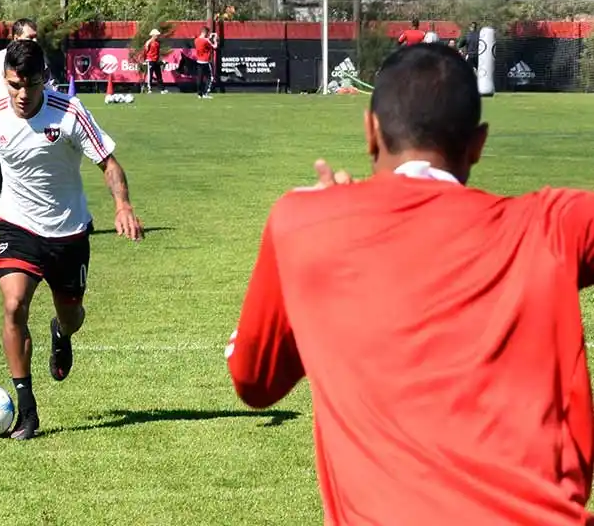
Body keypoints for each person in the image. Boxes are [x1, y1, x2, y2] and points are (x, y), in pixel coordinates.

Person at [226, 43, 594, 524]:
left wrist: (326, 235)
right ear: (478, 143)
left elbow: (253, 381)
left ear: (371, 131)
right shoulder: (551, 226)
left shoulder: (302, 223)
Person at [0, 39, 145, 440]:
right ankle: (27, 409)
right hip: (17, 227)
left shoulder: (70, 112)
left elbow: (108, 162)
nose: (22, 95)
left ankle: (61, 334)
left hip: (69, 233)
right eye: (13, 85)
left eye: (30, 85)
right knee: (13, 306)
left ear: (44, 79)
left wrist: (122, 206)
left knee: (72, 316)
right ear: (4, 80)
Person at [0, 18, 54, 236]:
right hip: (0, 126)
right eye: (30, 36)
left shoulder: (39, 59)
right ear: (16, 38)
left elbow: (49, 90)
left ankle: (33, 218)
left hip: (32, 125)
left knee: (37, 171)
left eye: (36, 36)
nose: (35, 40)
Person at [193, 26, 218, 99]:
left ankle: (199, 94)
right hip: (206, 62)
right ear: (206, 33)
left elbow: (204, 42)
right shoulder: (206, 41)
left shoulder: (196, 40)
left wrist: (209, 38)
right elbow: (215, 46)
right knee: (210, 77)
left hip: (199, 61)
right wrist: (215, 39)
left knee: (199, 78)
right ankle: (205, 93)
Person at [144, 29, 168, 94]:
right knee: (150, 75)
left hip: (156, 60)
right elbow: (145, 51)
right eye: (157, 35)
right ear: (153, 35)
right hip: (150, 60)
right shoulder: (148, 42)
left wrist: (161, 60)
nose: (158, 36)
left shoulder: (157, 43)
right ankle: (149, 89)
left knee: (159, 75)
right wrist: (145, 59)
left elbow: (158, 53)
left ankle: (162, 89)